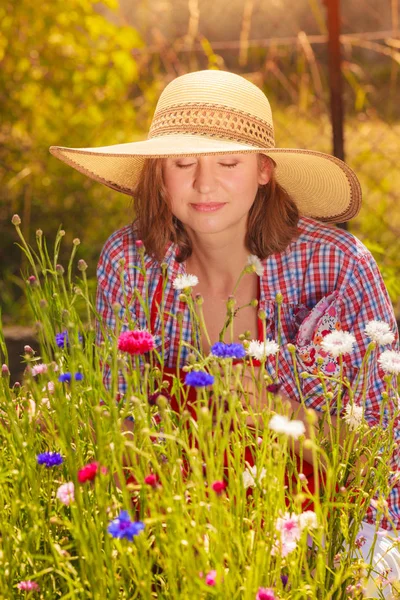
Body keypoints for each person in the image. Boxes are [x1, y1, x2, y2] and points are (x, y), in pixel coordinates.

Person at [50, 69, 400, 596]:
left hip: (326, 538)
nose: (204, 184)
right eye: (182, 162)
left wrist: (270, 410)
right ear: (157, 175)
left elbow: (380, 447)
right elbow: (117, 422)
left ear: (264, 170)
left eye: (228, 163)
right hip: (176, 527)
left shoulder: (338, 265)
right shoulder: (131, 262)